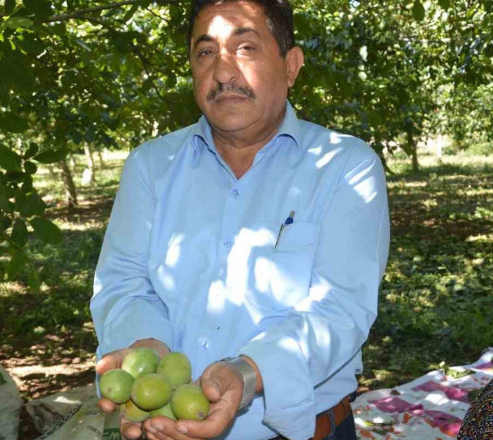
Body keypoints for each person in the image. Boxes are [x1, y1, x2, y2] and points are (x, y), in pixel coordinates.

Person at [89, 1, 390, 439]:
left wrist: (247, 372)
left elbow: (340, 308)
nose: (224, 72)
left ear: (291, 65)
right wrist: (146, 349)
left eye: (245, 47)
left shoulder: (345, 167)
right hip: (165, 427)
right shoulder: (151, 166)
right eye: (206, 53)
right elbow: (123, 282)